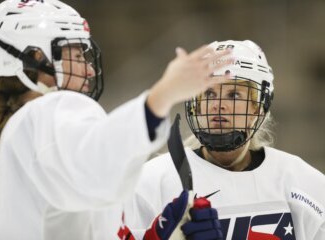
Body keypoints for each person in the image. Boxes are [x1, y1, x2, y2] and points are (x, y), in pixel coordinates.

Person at [0, 0, 233, 239]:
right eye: (79, 55)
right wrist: (162, 96)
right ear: (38, 59)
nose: (90, 68)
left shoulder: (13, 134)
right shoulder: (46, 114)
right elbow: (98, 163)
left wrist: (156, 235)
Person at [124, 40, 325, 240]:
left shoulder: (300, 182)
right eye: (209, 93)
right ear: (196, 105)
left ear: (258, 107)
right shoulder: (152, 182)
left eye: (234, 94)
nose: (218, 105)